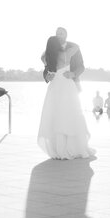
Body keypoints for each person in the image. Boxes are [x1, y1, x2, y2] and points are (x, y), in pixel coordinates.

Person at [38, 27, 95, 159]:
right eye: (57, 33)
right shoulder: (51, 51)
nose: (59, 35)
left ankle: (73, 147)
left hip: (70, 84)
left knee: (70, 114)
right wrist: (47, 76)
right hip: (56, 86)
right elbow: (46, 69)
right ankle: (58, 148)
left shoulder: (71, 48)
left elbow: (81, 66)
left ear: (66, 34)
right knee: (56, 115)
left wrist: (73, 73)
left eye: (61, 33)